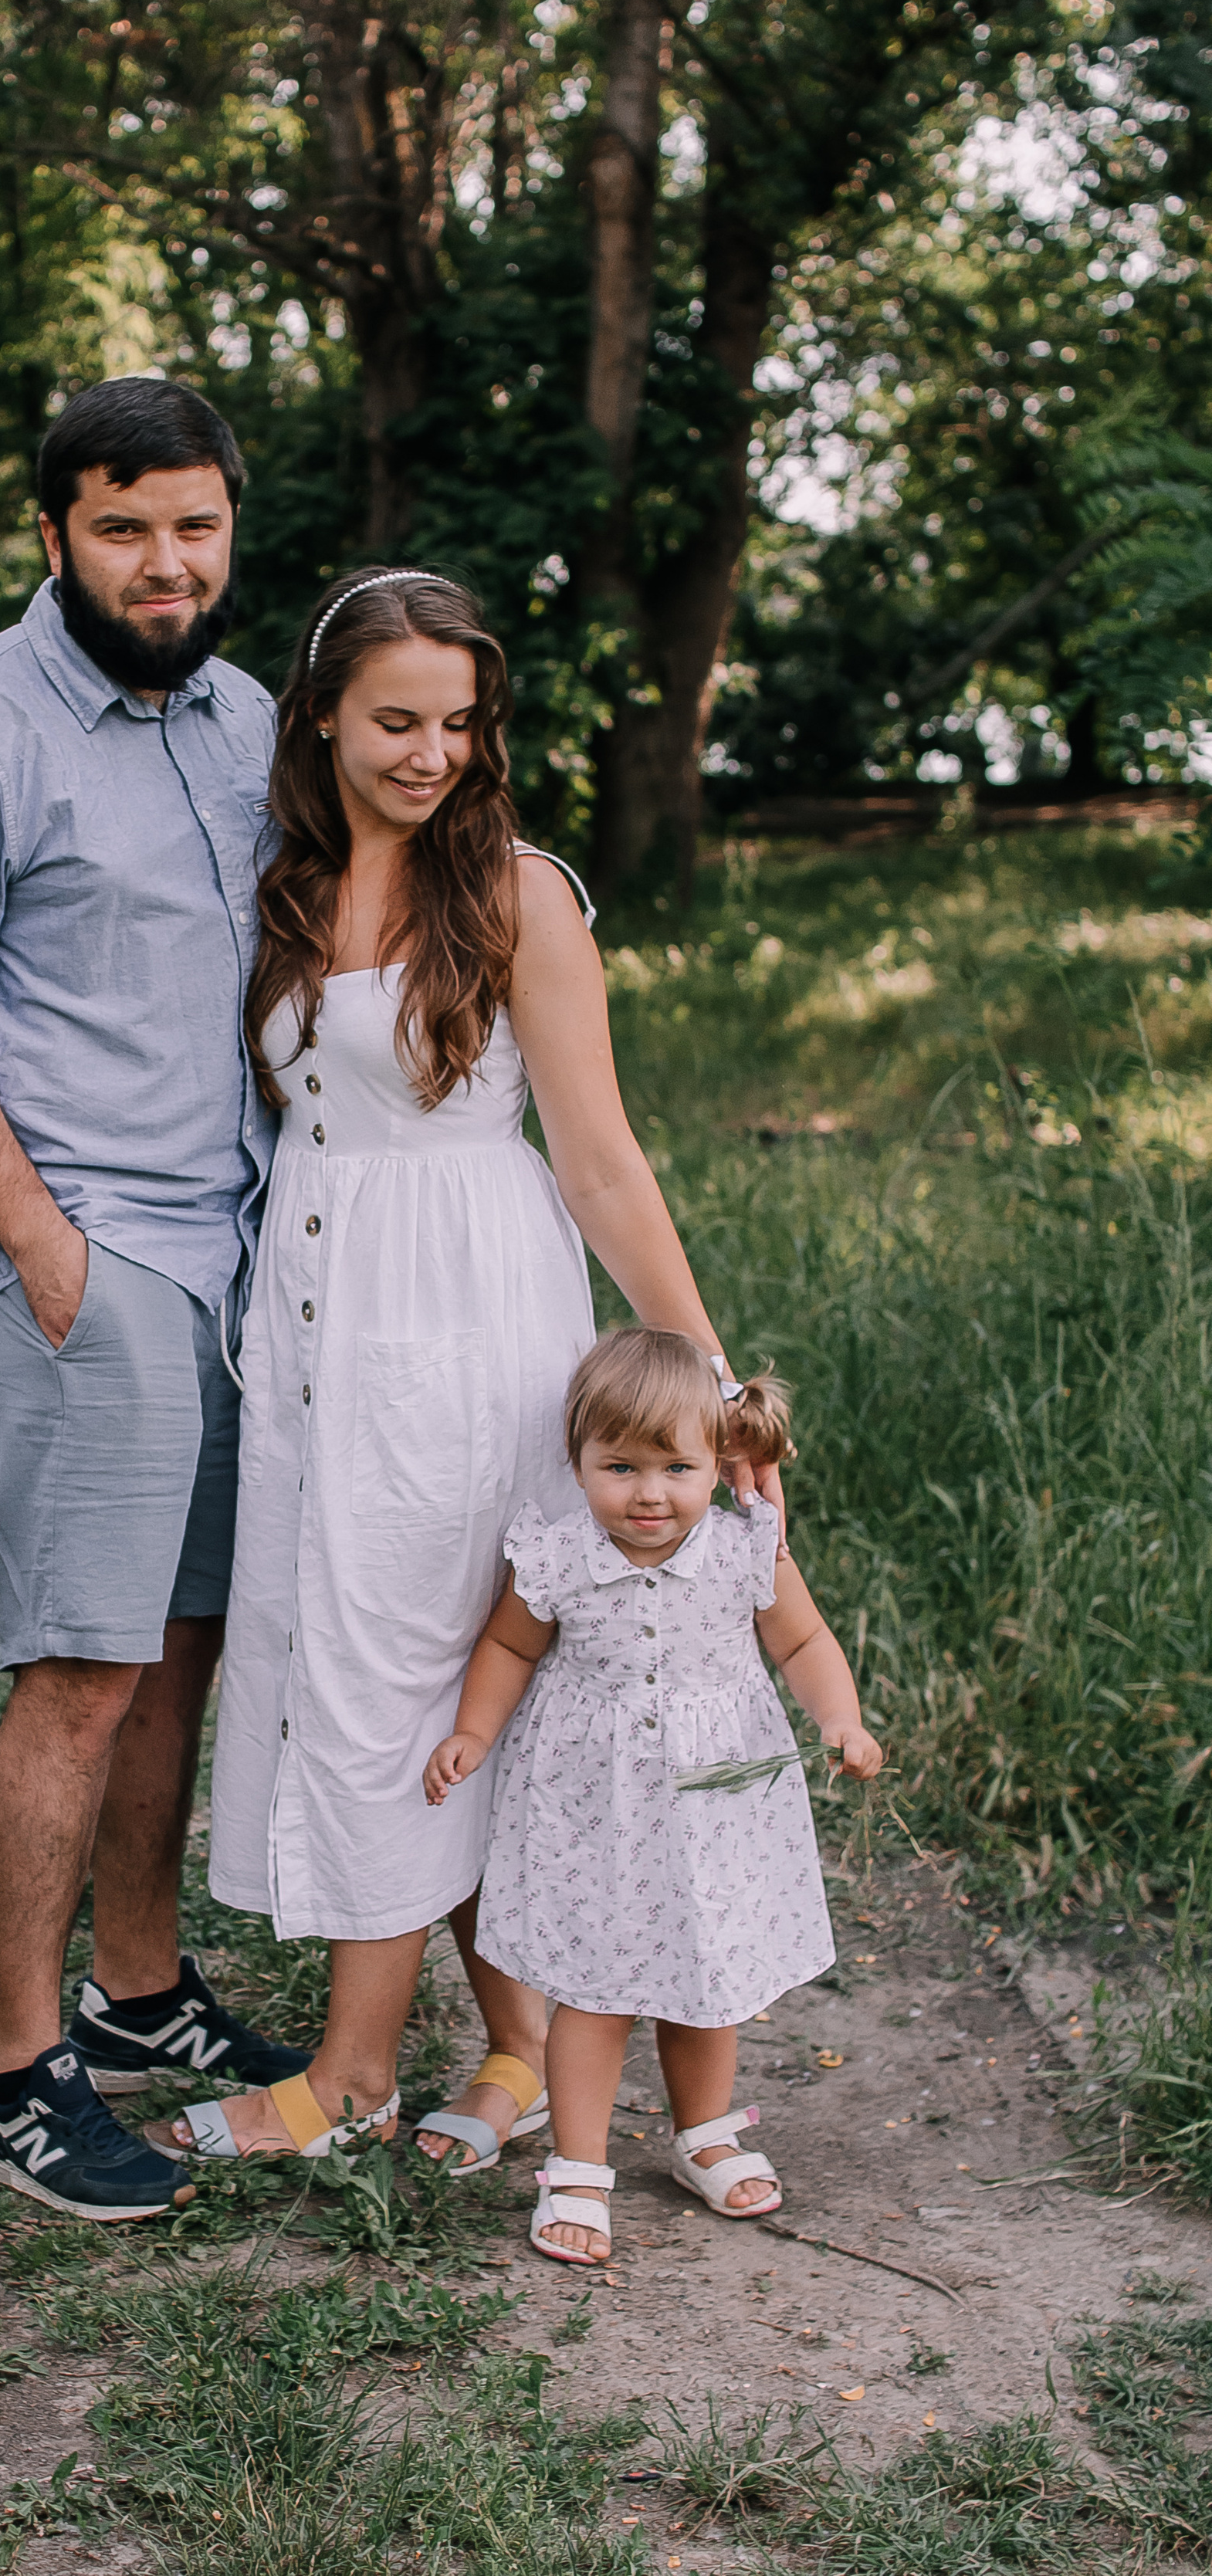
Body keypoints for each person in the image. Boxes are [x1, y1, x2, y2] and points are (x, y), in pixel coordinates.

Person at [154, 565, 780, 2174]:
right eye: (392, 721)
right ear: (316, 716)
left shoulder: (514, 893)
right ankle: (509, 2046)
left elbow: (598, 1162)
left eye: (455, 722)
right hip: (312, 1323)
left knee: (410, 1670)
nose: (429, 752)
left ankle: (350, 2072)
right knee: (371, 1669)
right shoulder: (279, 885)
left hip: (464, 1314)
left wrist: (698, 1377)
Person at [0, 377, 306, 2223]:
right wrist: (43, 1247)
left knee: (181, 1638)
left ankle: (137, 1993)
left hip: (234, 1248)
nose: (164, 560)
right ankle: (16, 2075)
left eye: (192, 525)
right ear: (54, 535)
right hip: (78, 1245)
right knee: (83, 1664)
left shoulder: (251, 718)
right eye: (123, 527)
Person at [425, 1325, 882, 2263]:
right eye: (620, 1466)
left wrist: (840, 1718)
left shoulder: (743, 1549)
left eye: (676, 1466)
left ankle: (702, 2130)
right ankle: (580, 2165)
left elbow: (802, 1643)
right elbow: (511, 1647)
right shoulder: (555, 1557)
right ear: (579, 1460)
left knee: (707, 1978)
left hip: (716, 1801)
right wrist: (473, 1730)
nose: (648, 1493)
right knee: (592, 1986)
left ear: (719, 1460)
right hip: (593, 1804)